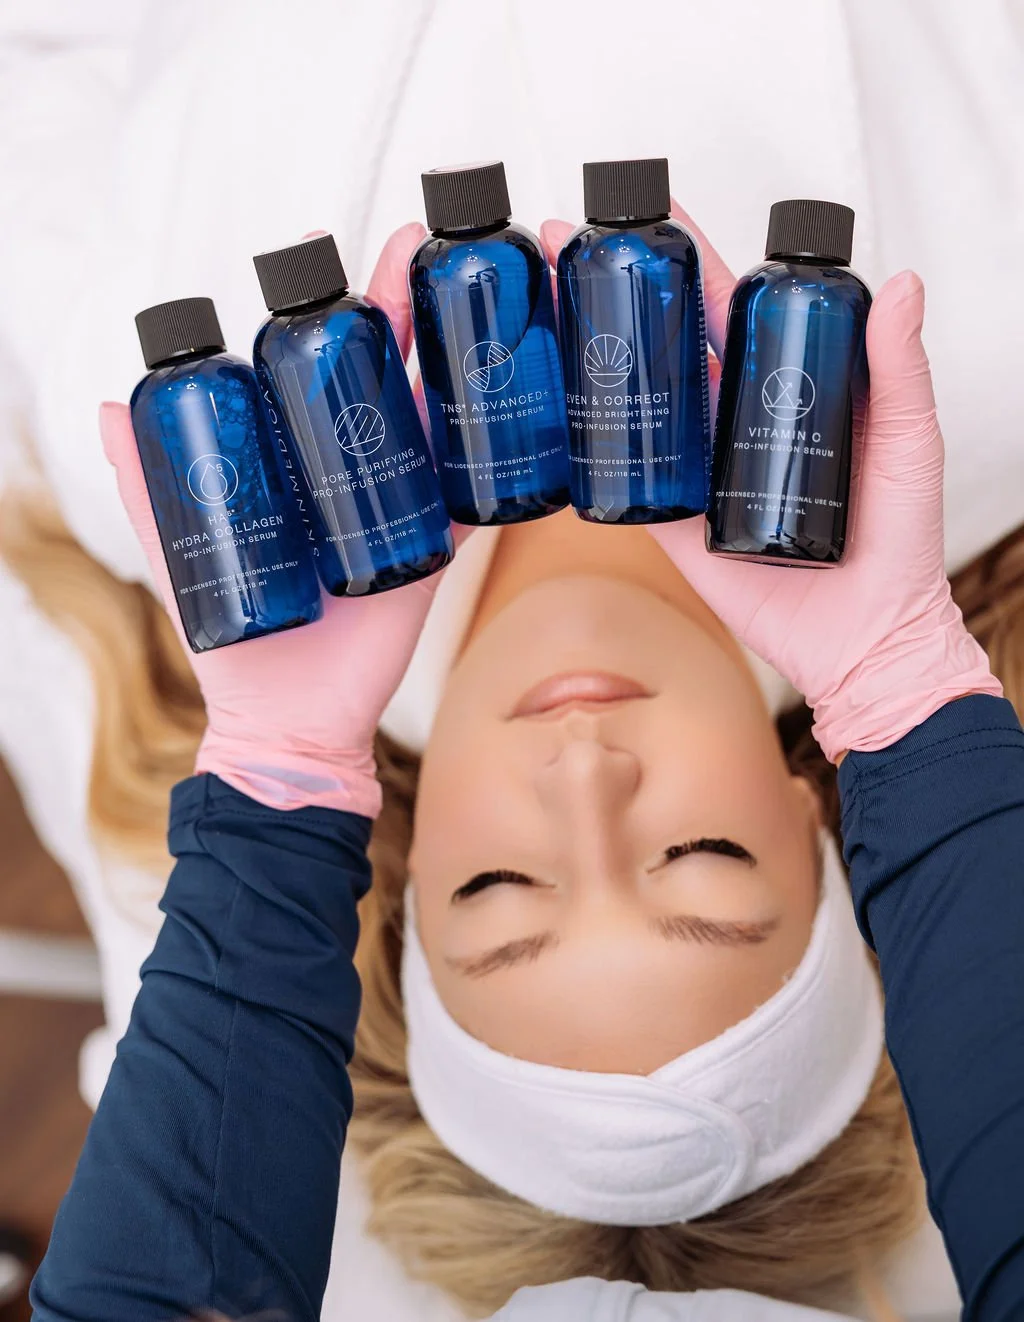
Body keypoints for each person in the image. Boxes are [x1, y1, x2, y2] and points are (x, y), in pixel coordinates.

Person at [23, 214, 1024, 1322]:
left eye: (496, 889)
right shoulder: (982, 383)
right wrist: (900, 682)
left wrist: (283, 777)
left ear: (400, 885)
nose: (583, 773)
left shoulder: (200, 517)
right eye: (701, 855)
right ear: (819, 818)